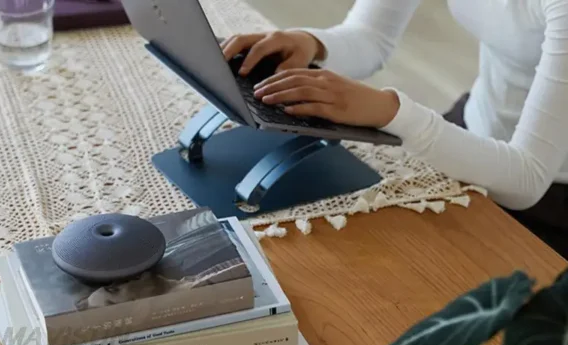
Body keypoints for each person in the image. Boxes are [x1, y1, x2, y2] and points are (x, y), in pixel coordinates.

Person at [222, 1, 568, 259]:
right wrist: (310, 44)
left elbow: (527, 178)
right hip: (474, 128)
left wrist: (392, 113)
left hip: (553, 199)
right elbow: (370, 35)